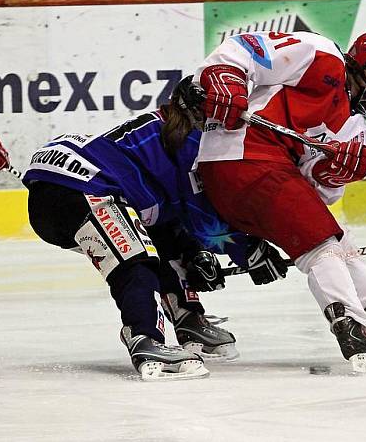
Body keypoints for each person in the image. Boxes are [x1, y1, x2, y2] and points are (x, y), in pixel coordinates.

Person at [191, 29, 366, 371]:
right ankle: (351, 328)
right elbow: (246, 48)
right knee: (321, 244)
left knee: (340, 240)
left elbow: (320, 194)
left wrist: (332, 172)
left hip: (267, 175)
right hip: (239, 157)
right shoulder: (321, 54)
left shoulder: (356, 129)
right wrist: (225, 78)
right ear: (364, 65)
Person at [21, 79, 289, 380]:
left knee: (170, 243)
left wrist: (198, 253)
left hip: (66, 187)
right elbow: (203, 218)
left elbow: (186, 224)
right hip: (79, 188)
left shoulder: (170, 127)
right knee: (136, 258)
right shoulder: (193, 142)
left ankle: (189, 319)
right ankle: (145, 338)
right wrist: (249, 251)